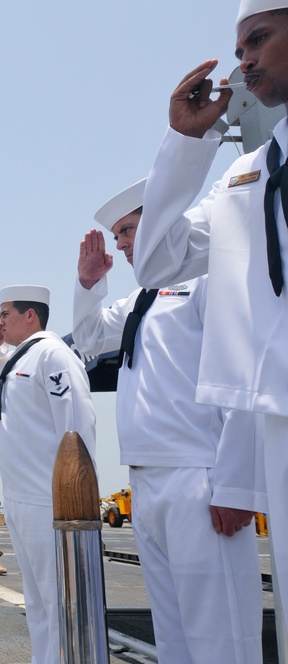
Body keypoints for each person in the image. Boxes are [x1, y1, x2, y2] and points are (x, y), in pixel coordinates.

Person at [131, 0, 288, 634]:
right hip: (277, 420)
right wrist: (185, 144)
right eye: (240, 47)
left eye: (259, 39)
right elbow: (158, 261)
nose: (243, 60)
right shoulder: (246, 176)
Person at [75, 180, 265, 662]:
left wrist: (237, 486)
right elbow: (91, 337)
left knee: (219, 632)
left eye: (128, 229)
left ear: (164, 224)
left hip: (198, 477)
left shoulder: (209, 280)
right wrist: (90, 283)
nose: (119, 243)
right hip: (148, 479)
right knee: (174, 632)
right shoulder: (143, 299)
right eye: (117, 234)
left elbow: (241, 379)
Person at [0, 285, 96, 664]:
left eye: (6, 312)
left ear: (31, 315)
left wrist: (74, 497)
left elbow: (76, 427)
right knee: (39, 606)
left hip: (51, 501)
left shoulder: (53, 355)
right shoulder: (17, 358)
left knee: (60, 603)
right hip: (21, 500)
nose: (0, 320)